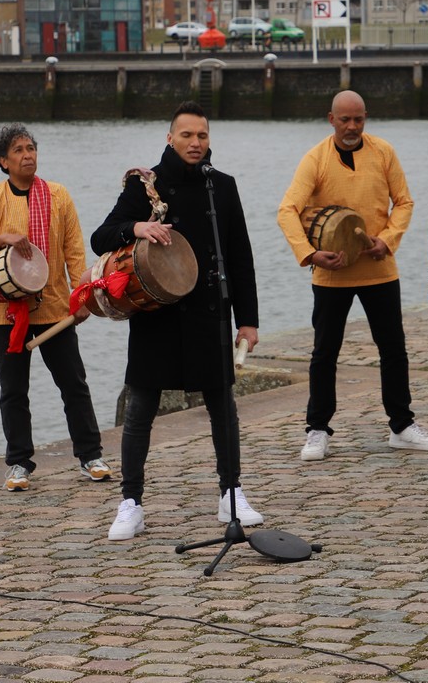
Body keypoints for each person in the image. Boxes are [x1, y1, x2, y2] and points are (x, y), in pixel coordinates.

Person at [91, 101, 261, 540]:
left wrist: (248, 320)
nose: (195, 142)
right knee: (140, 410)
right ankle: (131, 502)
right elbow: (100, 237)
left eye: (202, 135)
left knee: (222, 408)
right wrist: (137, 228)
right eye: (187, 135)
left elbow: (240, 257)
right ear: (170, 138)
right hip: (157, 316)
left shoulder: (221, 186)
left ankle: (231, 493)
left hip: (208, 314)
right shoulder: (144, 185)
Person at [276, 90, 428, 461]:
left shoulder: (384, 152)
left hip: (379, 269)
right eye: (345, 120)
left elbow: (404, 202)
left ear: (365, 117)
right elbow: (287, 210)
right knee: (324, 353)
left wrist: (388, 240)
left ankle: (401, 426)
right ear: (331, 119)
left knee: (393, 349)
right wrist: (310, 254)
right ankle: (317, 428)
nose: (352, 127)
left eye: (358, 119)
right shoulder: (315, 158)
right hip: (331, 273)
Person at [0, 124, 109, 493]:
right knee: (13, 389)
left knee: (73, 384)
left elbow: (74, 251)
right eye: (19, 150)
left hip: (54, 307)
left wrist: (82, 296)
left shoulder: (58, 195)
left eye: (31, 148)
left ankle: (91, 456)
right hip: (6, 314)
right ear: (3, 161)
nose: (28, 155)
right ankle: (19, 463)